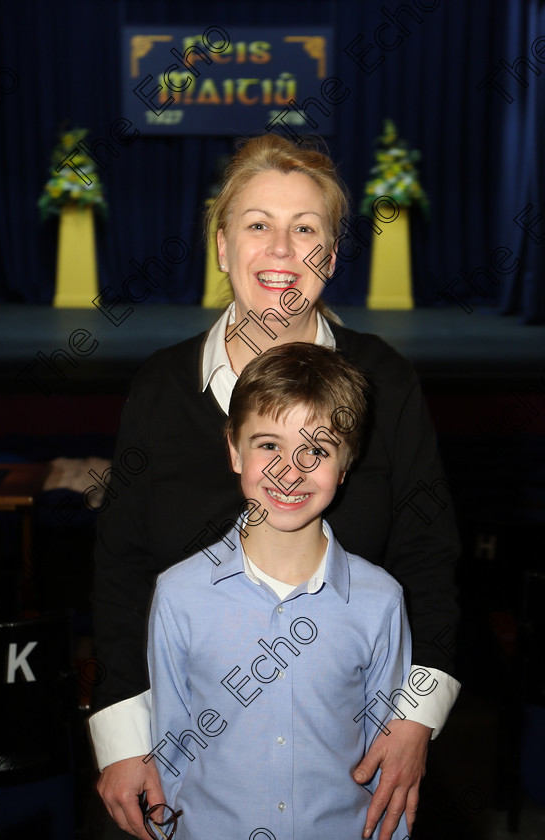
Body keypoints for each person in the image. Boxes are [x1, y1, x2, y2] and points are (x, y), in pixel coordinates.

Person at [90, 133, 461, 840]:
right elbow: (121, 568)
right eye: (258, 225)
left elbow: (428, 558)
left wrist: (416, 719)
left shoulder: (387, 382)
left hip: (342, 773)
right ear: (222, 246)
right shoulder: (162, 388)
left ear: (331, 252)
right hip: (188, 773)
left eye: (306, 230)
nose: (283, 251)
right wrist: (123, 740)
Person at [146, 341, 412, 840]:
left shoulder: (380, 600)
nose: (290, 471)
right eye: (269, 445)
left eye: (316, 450)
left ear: (346, 461)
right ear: (233, 449)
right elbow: (170, 749)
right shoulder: (179, 594)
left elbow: (388, 759)